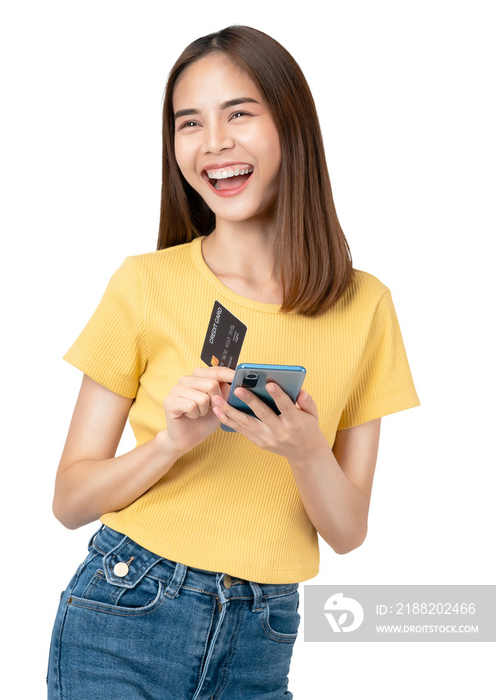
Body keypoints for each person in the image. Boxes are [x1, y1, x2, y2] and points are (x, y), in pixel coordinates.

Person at [47, 25, 420, 699]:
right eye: (190, 123)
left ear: (291, 125)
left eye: (239, 113)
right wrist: (170, 445)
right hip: (127, 611)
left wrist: (307, 451)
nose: (213, 142)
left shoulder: (366, 306)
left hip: (265, 634)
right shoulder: (143, 284)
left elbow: (347, 533)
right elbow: (69, 500)